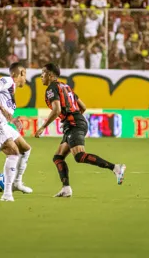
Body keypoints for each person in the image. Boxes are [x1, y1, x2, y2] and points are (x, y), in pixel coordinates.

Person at [35, 63, 126, 197]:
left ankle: (115, 168)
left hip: (74, 124)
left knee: (79, 156)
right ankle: (66, 188)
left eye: (43, 72)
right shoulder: (66, 87)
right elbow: (82, 106)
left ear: (50, 74)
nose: (41, 76)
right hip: (74, 122)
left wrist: (43, 127)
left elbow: (57, 110)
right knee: (58, 157)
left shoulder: (51, 88)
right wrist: (72, 118)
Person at [0, 62, 32, 202]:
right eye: (25, 74)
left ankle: (17, 183)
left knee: (25, 149)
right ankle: (7, 194)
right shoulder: (8, 80)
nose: (26, 78)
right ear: (20, 73)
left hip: (1, 122)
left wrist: (13, 120)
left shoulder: (11, 91)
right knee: (13, 152)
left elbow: (5, 111)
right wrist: (2, 109)